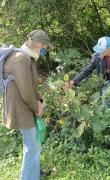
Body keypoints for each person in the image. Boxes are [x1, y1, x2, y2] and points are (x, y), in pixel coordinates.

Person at [2, 30, 54, 180]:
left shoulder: (26, 57)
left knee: (33, 143)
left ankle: (34, 172)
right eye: (45, 45)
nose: (45, 48)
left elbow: (31, 86)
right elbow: (26, 91)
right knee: (32, 146)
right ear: (38, 44)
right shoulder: (21, 58)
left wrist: (38, 100)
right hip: (22, 109)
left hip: (25, 106)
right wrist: (36, 108)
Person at [66, 36, 110, 115]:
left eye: (101, 50)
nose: (99, 52)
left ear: (109, 48)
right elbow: (87, 70)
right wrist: (73, 81)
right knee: (104, 108)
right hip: (107, 83)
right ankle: (108, 126)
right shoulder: (96, 57)